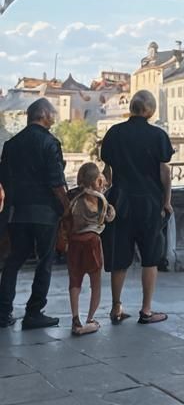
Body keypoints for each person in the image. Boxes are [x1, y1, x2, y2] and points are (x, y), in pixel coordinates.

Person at [100, 89, 173, 324]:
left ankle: (116, 307)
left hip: (120, 200)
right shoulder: (158, 135)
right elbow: (165, 172)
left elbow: (107, 172)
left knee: (119, 256)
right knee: (150, 256)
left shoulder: (114, 133)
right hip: (149, 202)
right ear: (150, 110)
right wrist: (167, 201)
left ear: (131, 108)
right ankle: (146, 309)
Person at [0, 98, 69, 329]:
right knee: (45, 261)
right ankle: (34, 312)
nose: (55, 117)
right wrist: (67, 209)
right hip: (44, 214)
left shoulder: (11, 144)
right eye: (53, 113)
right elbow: (57, 183)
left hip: (17, 212)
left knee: (14, 261)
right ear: (43, 115)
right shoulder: (50, 143)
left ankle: (3, 312)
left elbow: (5, 180)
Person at [67, 162, 116, 336]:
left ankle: (75, 317)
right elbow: (108, 218)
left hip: (74, 241)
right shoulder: (99, 199)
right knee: (95, 283)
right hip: (92, 240)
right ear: (97, 180)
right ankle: (90, 318)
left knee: (75, 281)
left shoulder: (73, 197)